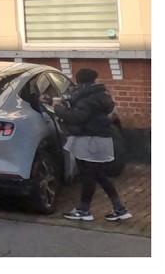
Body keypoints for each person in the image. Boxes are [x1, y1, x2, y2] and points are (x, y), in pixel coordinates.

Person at [54, 68, 130, 222]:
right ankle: (118, 208)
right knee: (99, 175)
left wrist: (57, 108)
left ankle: (84, 210)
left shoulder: (87, 98)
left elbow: (76, 117)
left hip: (89, 139)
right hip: (99, 138)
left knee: (89, 175)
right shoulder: (100, 95)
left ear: (79, 80)